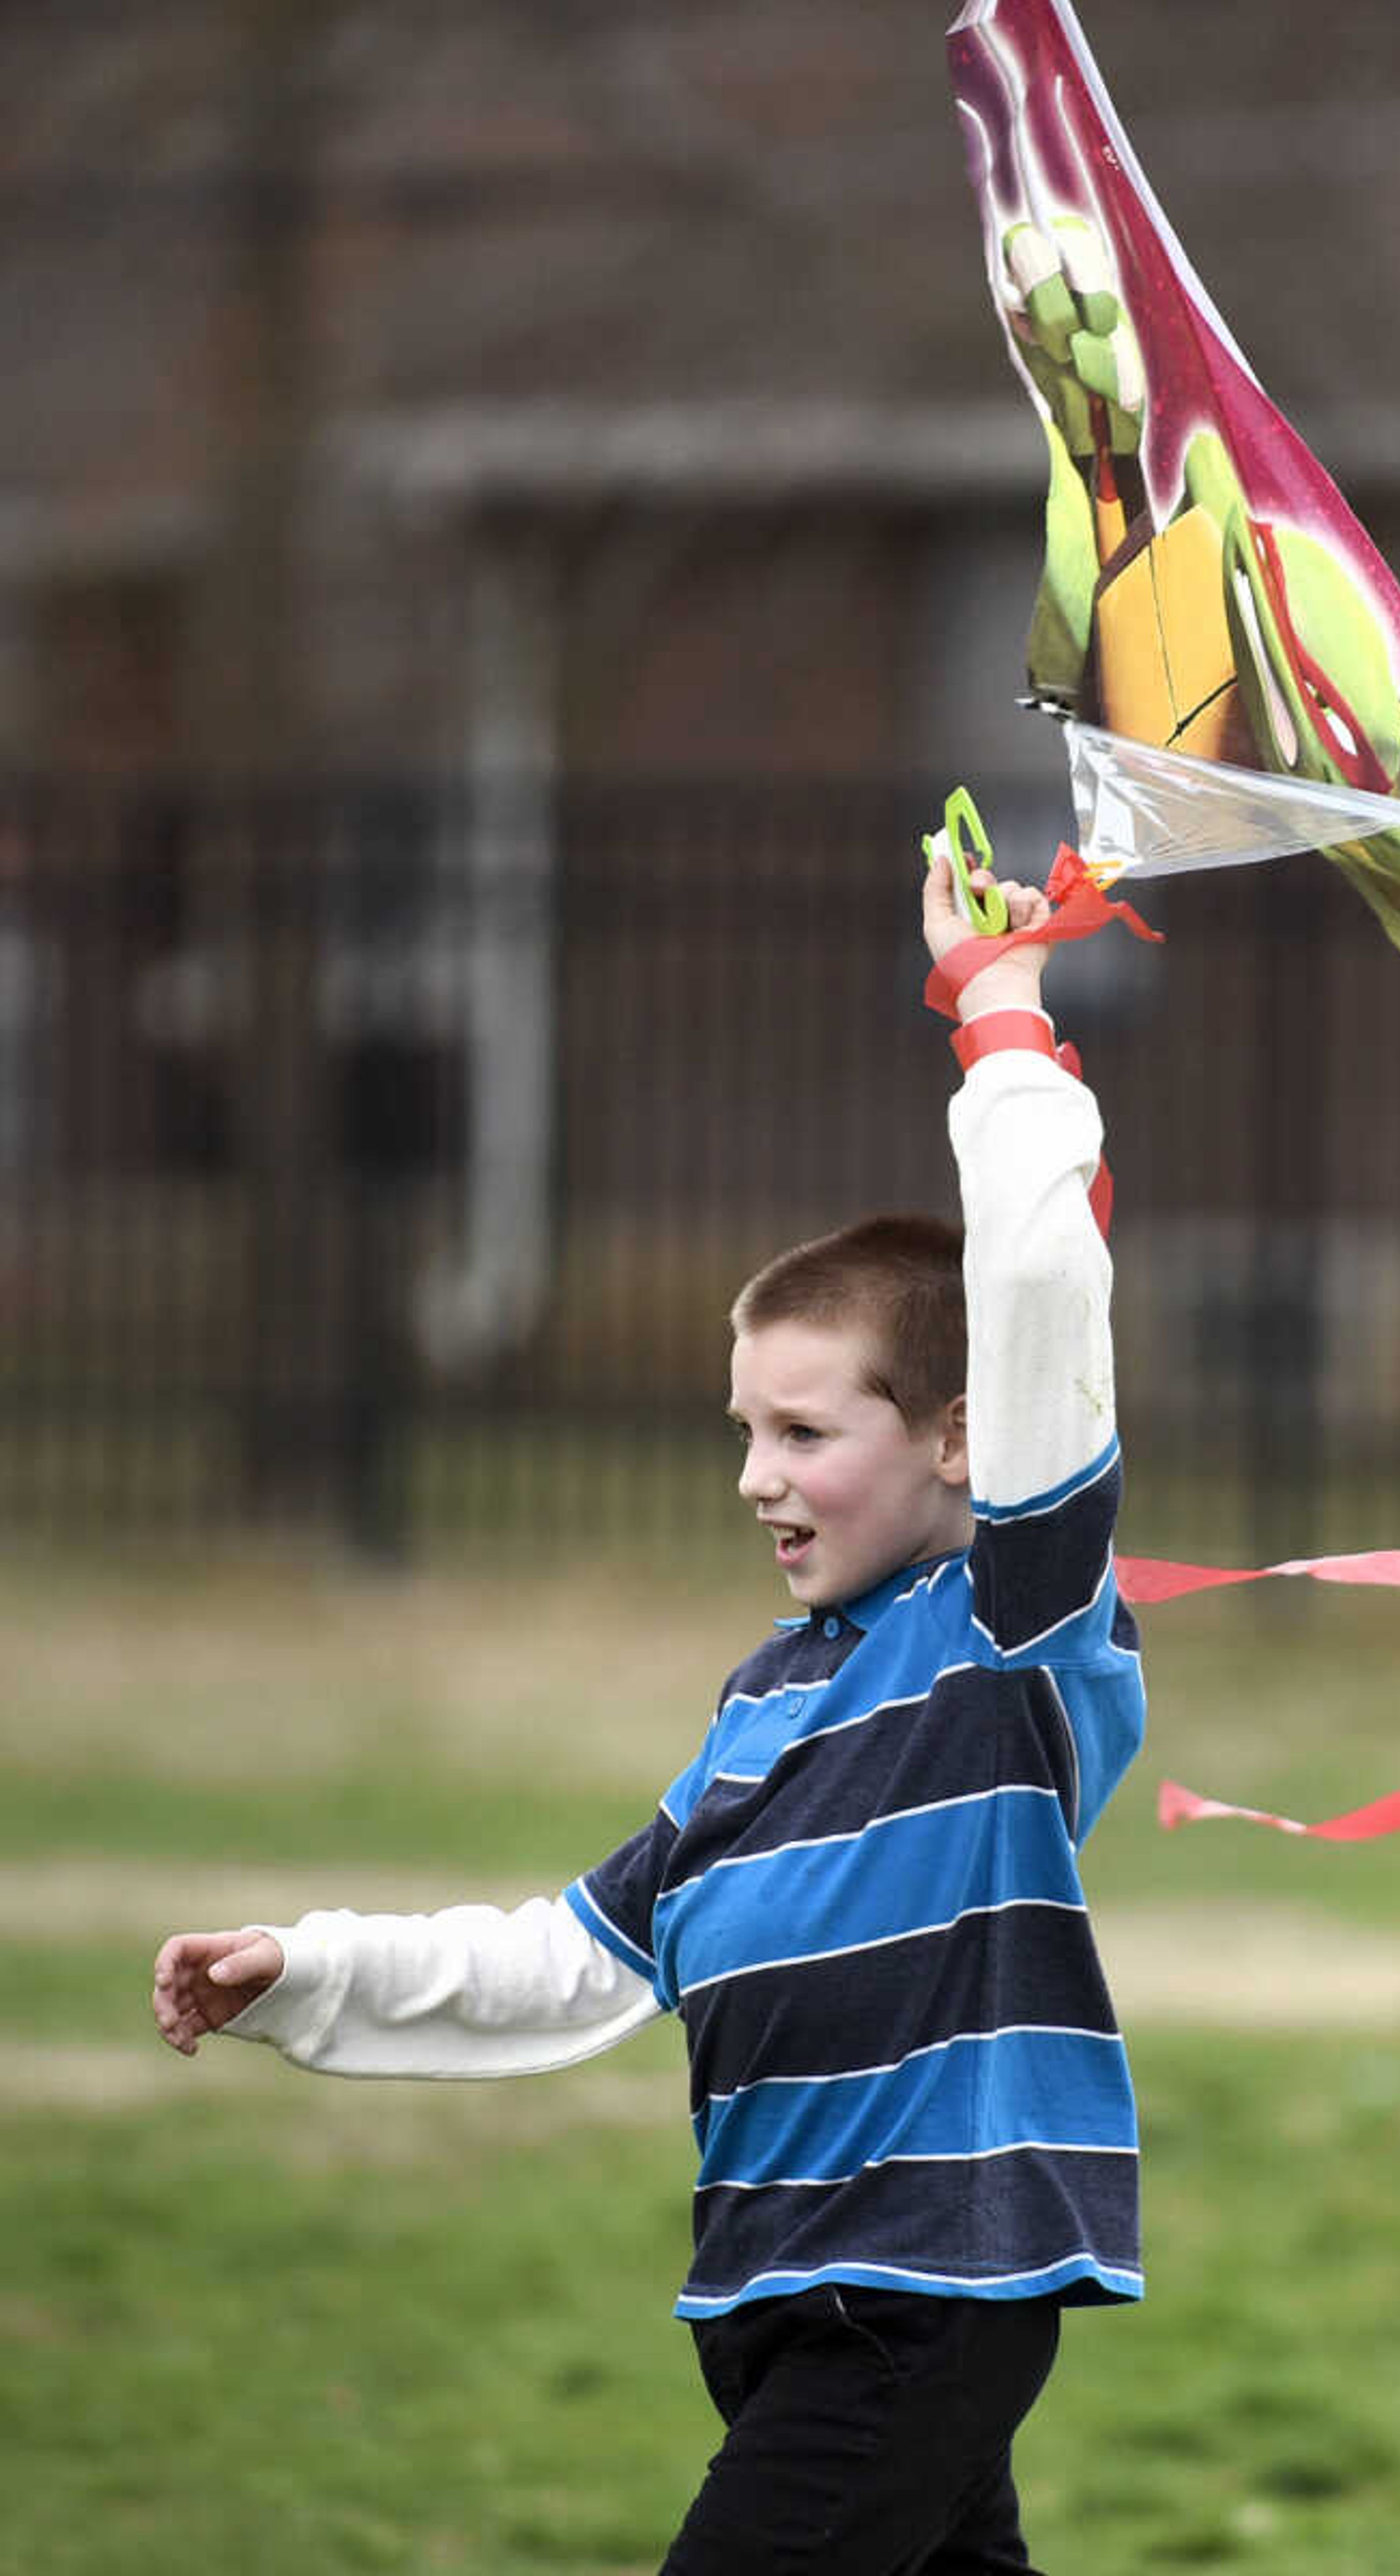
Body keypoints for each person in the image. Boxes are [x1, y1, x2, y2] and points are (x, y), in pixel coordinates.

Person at [152, 852, 1147, 2576]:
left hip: (922, 2291)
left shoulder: (1009, 1638)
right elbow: (577, 1960)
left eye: (809, 1433)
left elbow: (1046, 1288)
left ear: (964, 1443)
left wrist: (1003, 1007)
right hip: (775, 2302)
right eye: (744, 1432)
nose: (760, 1478)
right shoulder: (764, 1708)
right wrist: (310, 1969)